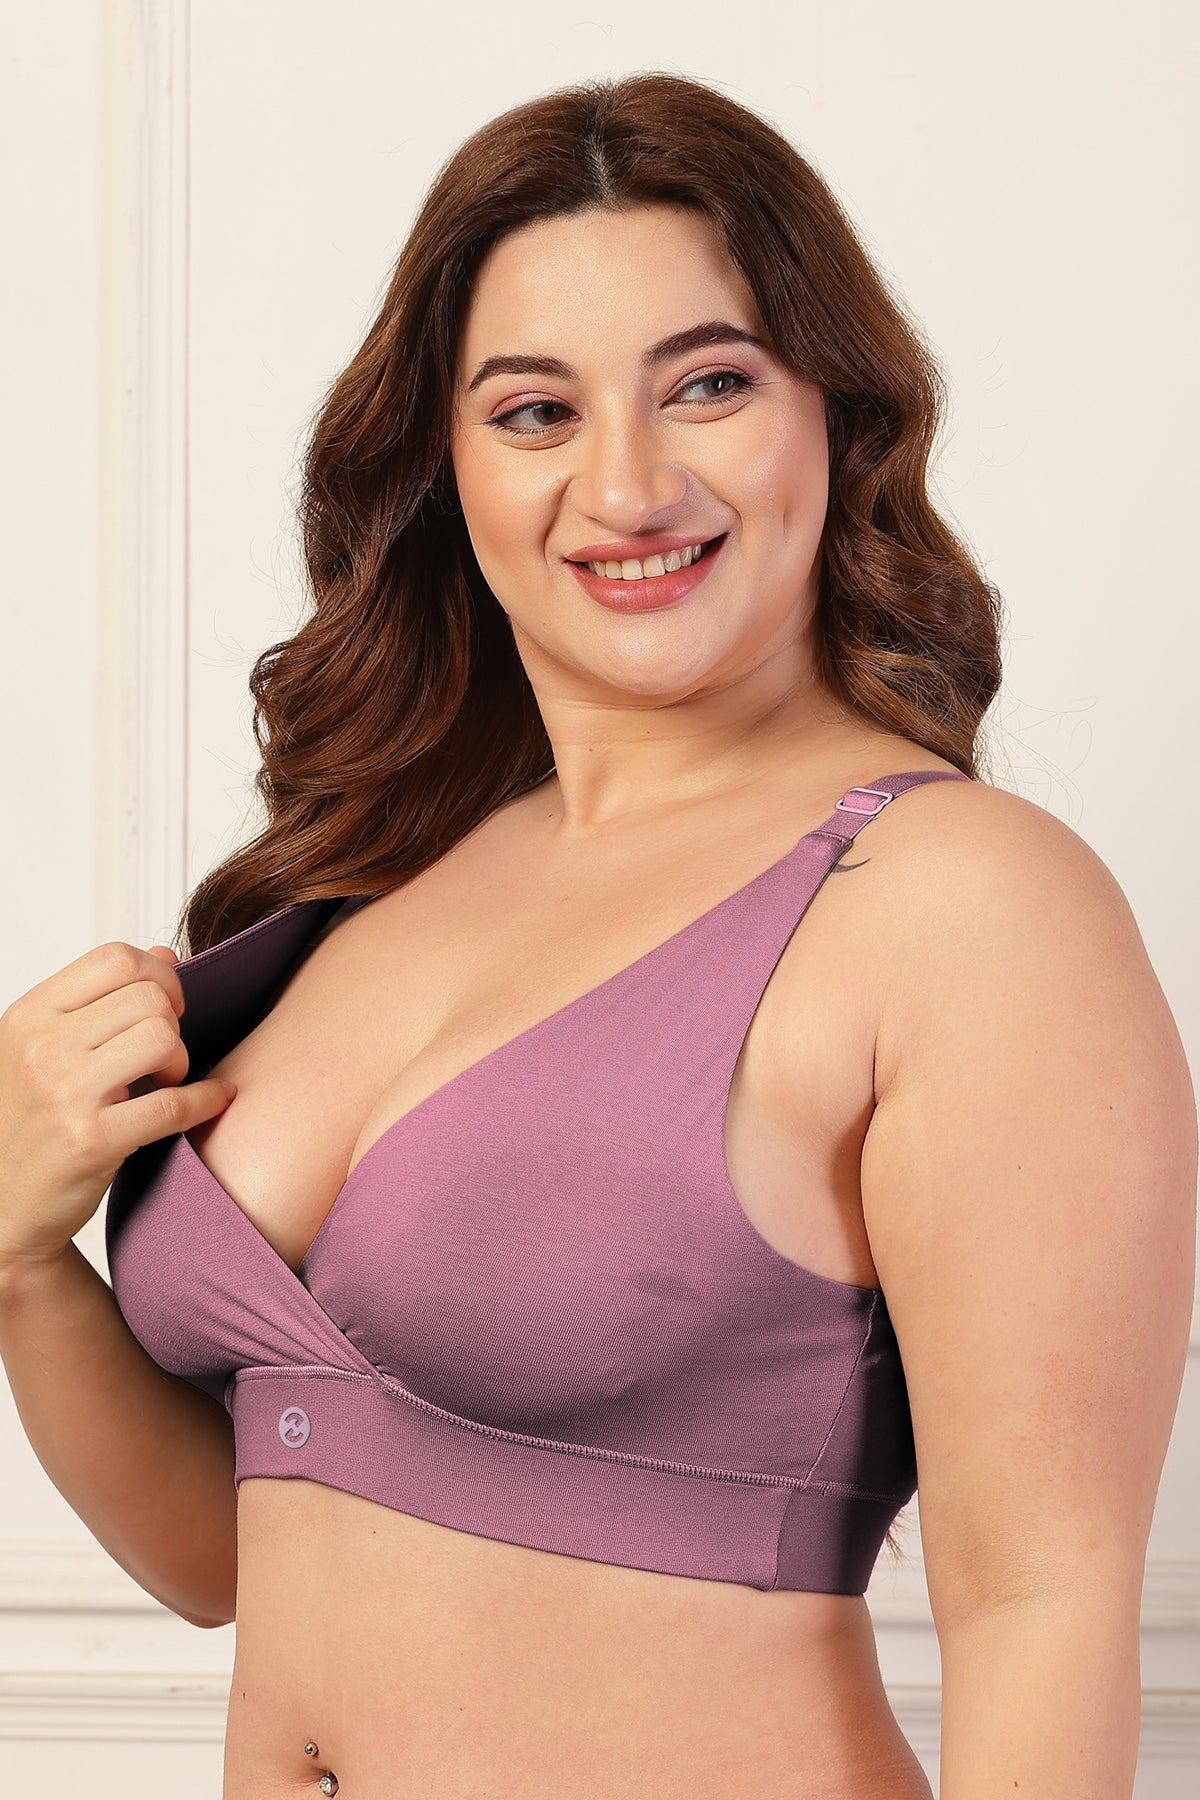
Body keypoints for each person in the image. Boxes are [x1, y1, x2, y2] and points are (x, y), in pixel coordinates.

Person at [0, 70, 1194, 1800]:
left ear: (836, 415)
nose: (626, 485)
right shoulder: (383, 873)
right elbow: (231, 1552)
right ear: (444, 463)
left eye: (709, 383)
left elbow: (1043, 1607)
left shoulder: (962, 904)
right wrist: (25, 1261)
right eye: (535, 411)